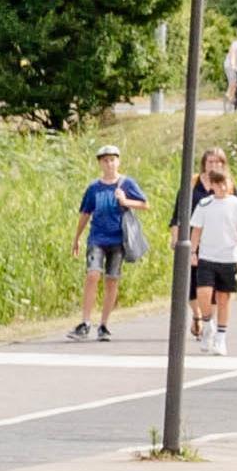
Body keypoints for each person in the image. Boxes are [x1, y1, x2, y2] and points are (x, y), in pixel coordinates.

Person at [68, 143, 142, 342]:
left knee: (112, 279)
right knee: (92, 275)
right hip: (97, 238)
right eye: (105, 160)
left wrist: (126, 201)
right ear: (100, 163)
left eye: (112, 160)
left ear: (118, 161)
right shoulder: (94, 188)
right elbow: (85, 212)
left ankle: (104, 324)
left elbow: (145, 204)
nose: (109, 164)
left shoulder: (127, 183)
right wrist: (76, 238)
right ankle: (85, 322)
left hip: (118, 239)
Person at [182, 153, 237, 350]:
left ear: (229, 184)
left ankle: (221, 335)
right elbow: (196, 230)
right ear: (211, 185)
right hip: (207, 256)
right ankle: (208, 323)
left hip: (228, 257)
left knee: (223, 297)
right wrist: (192, 252)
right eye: (216, 184)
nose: (220, 188)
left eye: (224, 184)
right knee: (203, 292)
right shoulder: (204, 204)